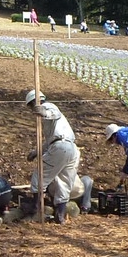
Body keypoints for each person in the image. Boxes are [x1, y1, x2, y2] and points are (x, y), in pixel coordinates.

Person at [24, 90, 83, 224]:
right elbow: (51, 140)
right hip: (71, 149)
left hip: (61, 147)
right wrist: (36, 152)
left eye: (31, 106)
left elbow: (53, 113)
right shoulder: (54, 125)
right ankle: (60, 215)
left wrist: (44, 112)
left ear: (34, 102)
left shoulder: (48, 106)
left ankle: (36, 210)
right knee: (64, 182)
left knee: (39, 177)